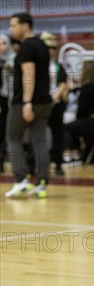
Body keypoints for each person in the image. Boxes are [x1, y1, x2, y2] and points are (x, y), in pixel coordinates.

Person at [5, 13, 51, 198]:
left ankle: (20, 179)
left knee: (13, 137)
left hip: (26, 102)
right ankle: (41, 182)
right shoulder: (41, 45)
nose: (11, 29)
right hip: (44, 102)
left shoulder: (26, 48)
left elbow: (28, 74)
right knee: (39, 141)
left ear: (25, 26)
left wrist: (26, 102)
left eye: (13, 25)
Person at [63, 61, 94, 163]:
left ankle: (70, 155)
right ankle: (77, 154)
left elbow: (82, 109)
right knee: (75, 126)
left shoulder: (86, 88)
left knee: (67, 127)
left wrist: (78, 118)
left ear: (86, 72)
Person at [40, 31, 68, 176]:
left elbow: (63, 83)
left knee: (58, 134)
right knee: (38, 135)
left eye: (53, 48)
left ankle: (58, 163)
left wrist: (55, 97)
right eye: (47, 48)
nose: (50, 51)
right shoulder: (36, 67)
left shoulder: (58, 66)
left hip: (56, 104)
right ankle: (37, 164)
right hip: (41, 104)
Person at [0, 35, 16, 172]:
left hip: (15, 99)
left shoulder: (14, 58)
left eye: (4, 43)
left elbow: (10, 67)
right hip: (3, 98)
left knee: (12, 131)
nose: (2, 47)